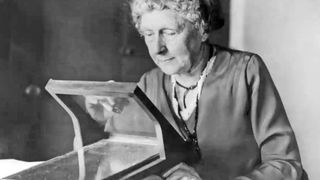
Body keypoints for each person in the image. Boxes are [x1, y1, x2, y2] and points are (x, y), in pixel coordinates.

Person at [86, 0, 307, 179]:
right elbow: (116, 159)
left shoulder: (245, 72)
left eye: (169, 32)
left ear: (201, 29)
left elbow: (286, 165)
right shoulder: (149, 84)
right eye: (148, 34)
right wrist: (96, 116)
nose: (157, 49)